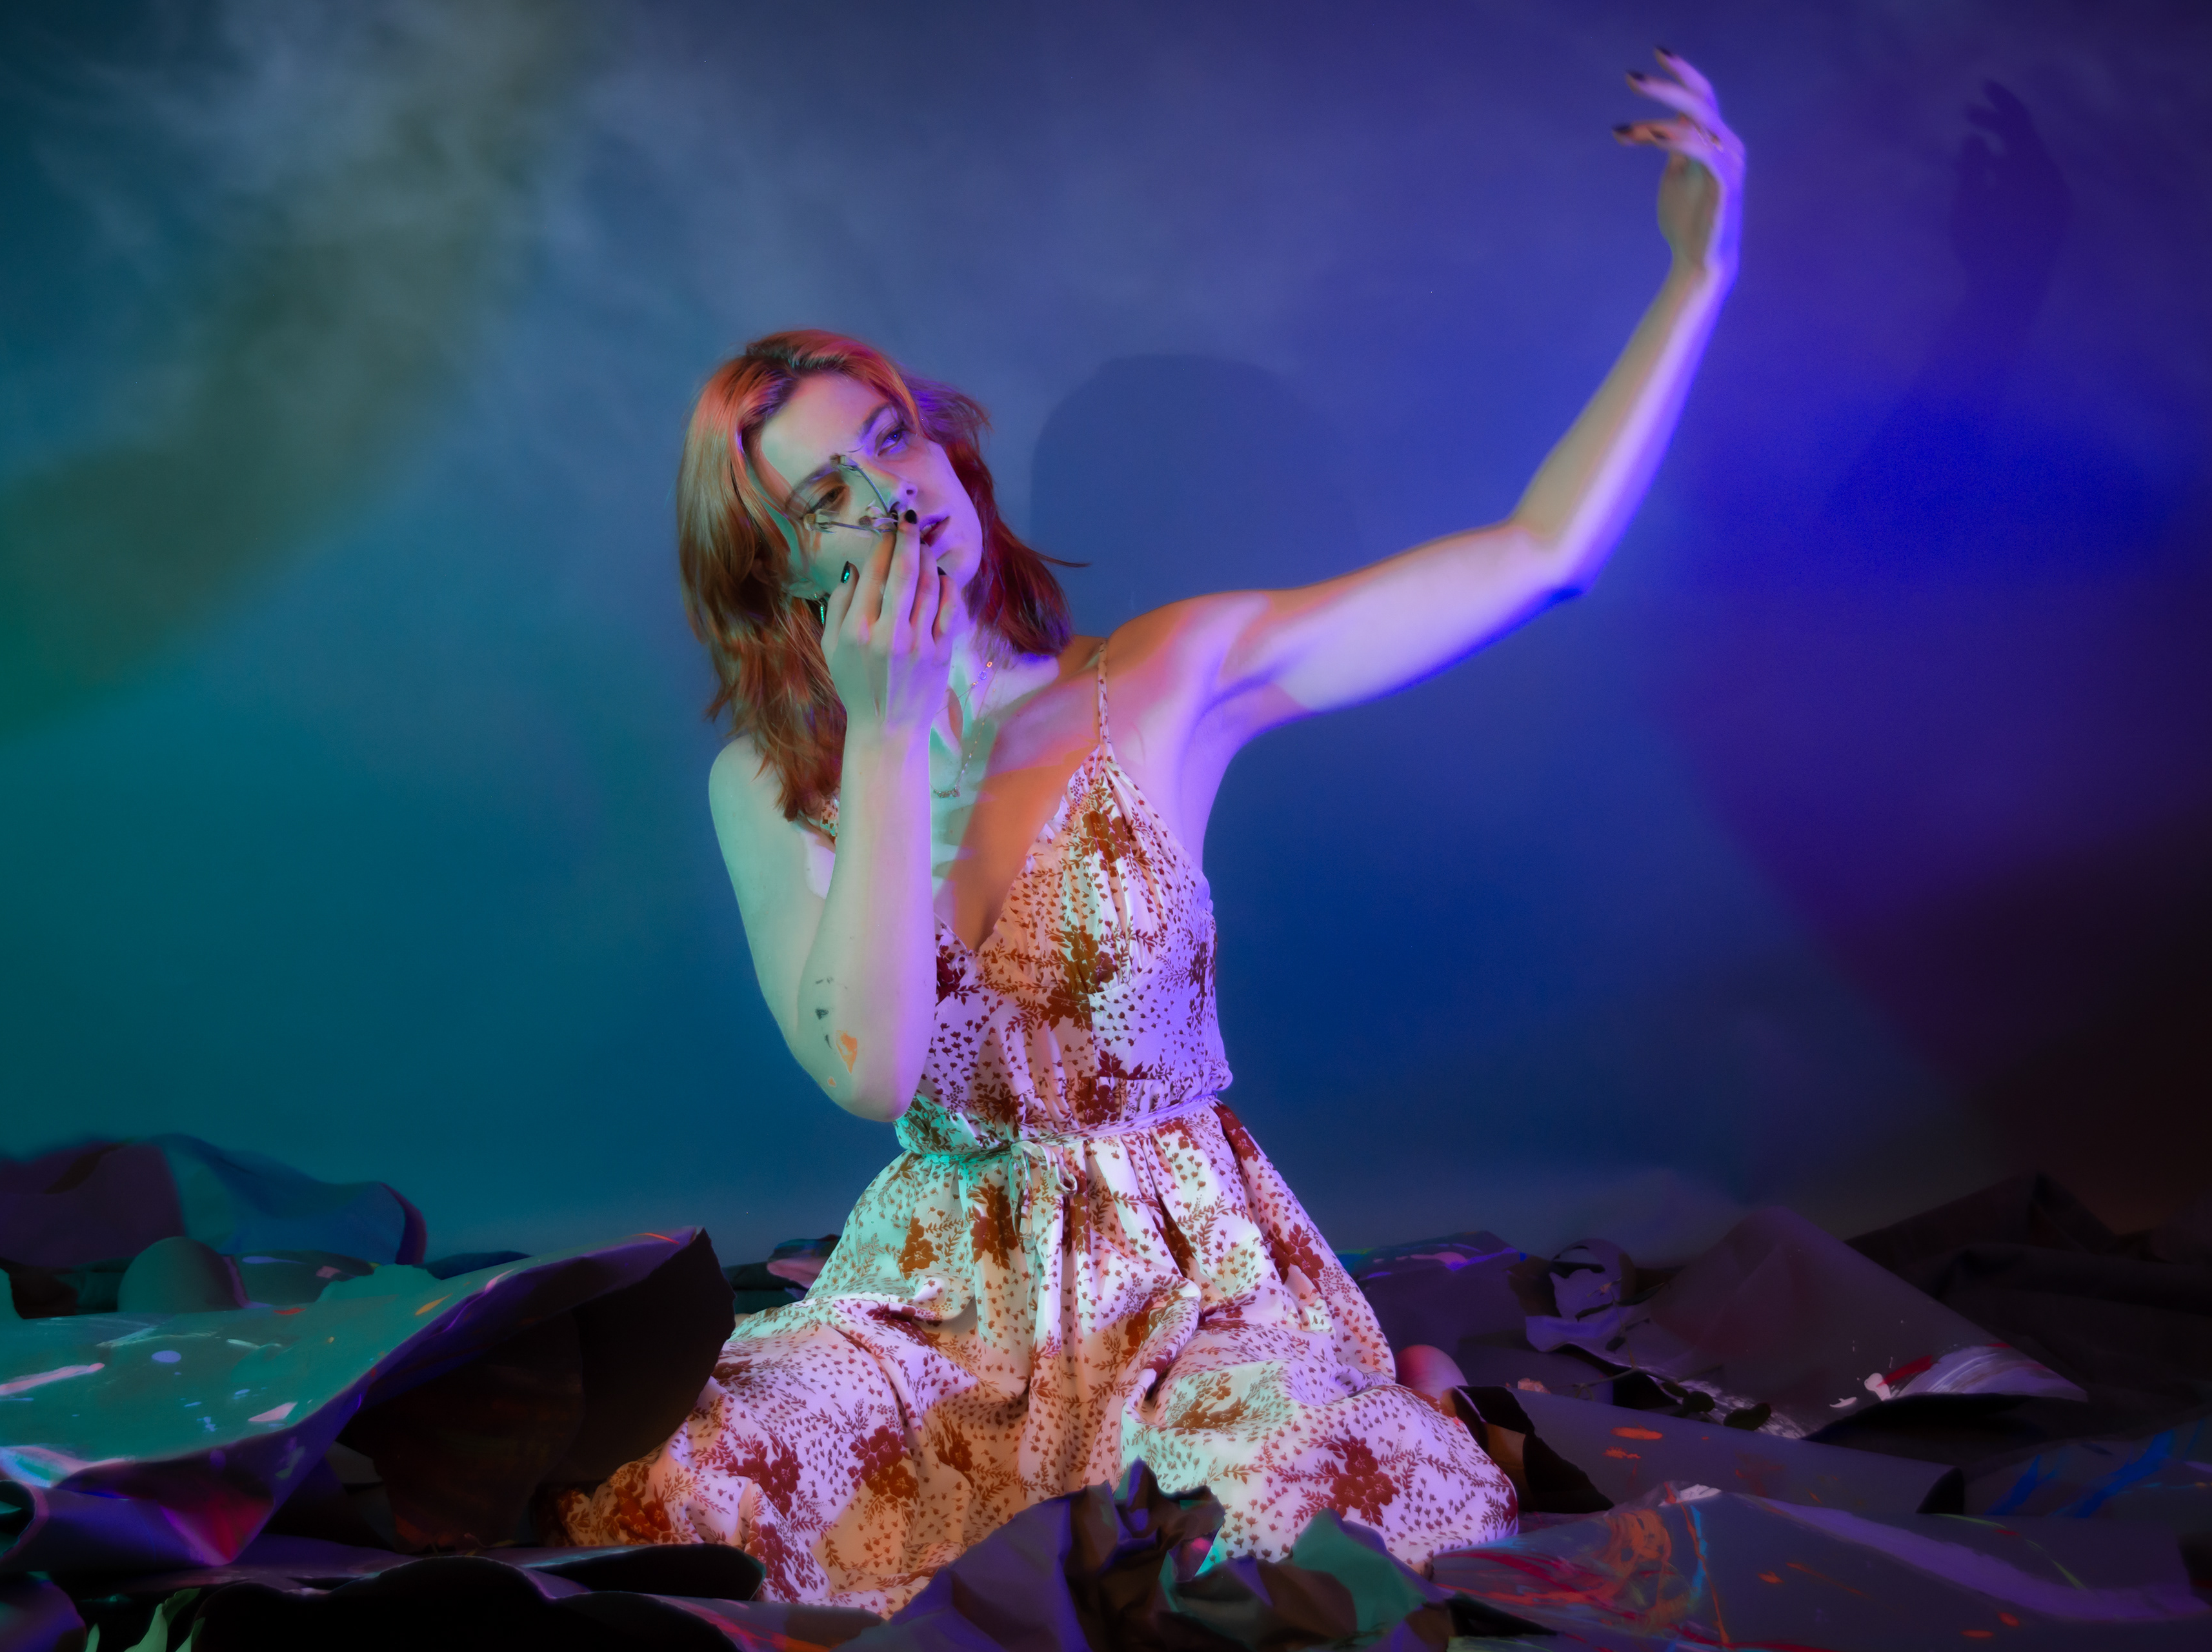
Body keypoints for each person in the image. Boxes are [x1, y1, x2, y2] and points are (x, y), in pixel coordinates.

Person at [558, 52, 1745, 1613]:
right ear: (782, 571)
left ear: (949, 447)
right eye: (829, 496)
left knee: (1319, 1521)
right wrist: (893, 731)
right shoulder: (772, 783)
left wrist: (1694, 280)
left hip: (1193, 1283)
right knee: (697, 1490)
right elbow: (875, 1073)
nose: (893, 498)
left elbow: (1540, 552)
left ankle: (1416, 1397)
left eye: (896, 438)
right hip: (937, 1299)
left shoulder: (1164, 678)